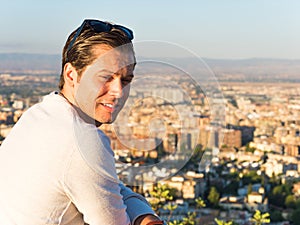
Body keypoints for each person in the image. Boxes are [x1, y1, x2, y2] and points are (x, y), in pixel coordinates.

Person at [0, 19, 164, 225]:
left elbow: (104, 186)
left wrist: (142, 215)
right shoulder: (81, 138)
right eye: (106, 77)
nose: (118, 92)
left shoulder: (38, 116)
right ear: (71, 74)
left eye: (126, 80)